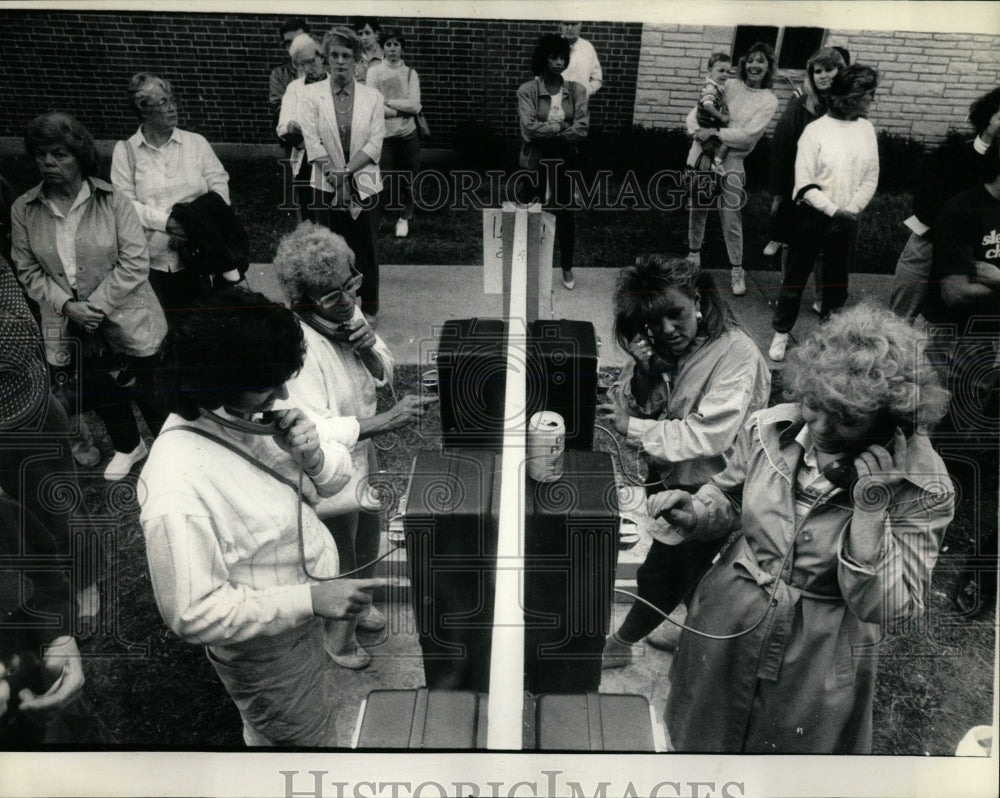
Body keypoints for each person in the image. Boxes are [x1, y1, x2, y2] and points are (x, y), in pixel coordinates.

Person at [657, 302, 955, 753]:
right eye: (815, 404)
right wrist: (698, 512)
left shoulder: (924, 486)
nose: (822, 426)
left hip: (819, 656)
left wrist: (870, 514)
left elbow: (893, 607)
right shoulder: (769, 428)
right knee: (702, 742)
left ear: (891, 420)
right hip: (727, 619)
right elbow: (733, 495)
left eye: (848, 418)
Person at [140, 287, 385, 747]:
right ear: (212, 382)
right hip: (266, 652)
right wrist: (309, 601)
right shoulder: (177, 486)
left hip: (300, 625)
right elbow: (192, 613)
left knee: (293, 724)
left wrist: (311, 454)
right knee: (303, 742)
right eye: (266, 385)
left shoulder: (250, 408)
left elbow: (334, 483)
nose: (284, 394)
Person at [596, 256, 771, 667]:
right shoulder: (671, 346)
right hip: (670, 474)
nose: (666, 331)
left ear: (695, 298)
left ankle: (620, 645)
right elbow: (639, 402)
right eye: (653, 324)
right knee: (691, 571)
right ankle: (699, 632)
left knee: (661, 572)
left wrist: (634, 428)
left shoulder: (736, 353)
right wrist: (644, 370)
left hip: (711, 486)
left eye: (674, 315)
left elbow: (709, 434)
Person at [273, 222, 433, 668]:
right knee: (339, 554)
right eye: (333, 295)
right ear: (302, 299)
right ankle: (337, 639)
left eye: (352, 284)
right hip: (324, 470)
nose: (349, 301)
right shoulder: (297, 345)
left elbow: (384, 369)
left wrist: (367, 350)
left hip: (363, 456)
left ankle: (359, 606)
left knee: (368, 536)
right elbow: (310, 428)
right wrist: (385, 421)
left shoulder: (345, 312)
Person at [11, 112, 168, 482]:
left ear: (79, 155)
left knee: (149, 388)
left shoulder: (114, 201)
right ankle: (130, 447)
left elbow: (134, 263)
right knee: (99, 387)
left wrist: (93, 308)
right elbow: (27, 269)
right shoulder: (24, 209)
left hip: (128, 315)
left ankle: (168, 449)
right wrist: (68, 307)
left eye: (58, 153)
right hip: (68, 321)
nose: (47, 162)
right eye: (40, 154)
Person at [923, 141, 1000, 618]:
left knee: (975, 440)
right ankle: (923, 520)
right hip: (962, 341)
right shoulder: (965, 210)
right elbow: (953, 292)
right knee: (939, 436)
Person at [769, 65, 880, 363]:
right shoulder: (815, 131)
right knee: (794, 279)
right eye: (868, 94)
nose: (872, 100)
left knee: (836, 285)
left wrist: (851, 209)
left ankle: (827, 341)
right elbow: (804, 182)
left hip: (848, 219)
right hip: (810, 217)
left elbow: (871, 176)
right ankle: (781, 332)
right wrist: (834, 210)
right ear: (849, 97)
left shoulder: (866, 129)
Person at [111, 72, 232, 317]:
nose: (173, 108)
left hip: (201, 253)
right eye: (164, 102)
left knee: (206, 321)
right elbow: (124, 204)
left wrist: (192, 225)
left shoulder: (196, 143)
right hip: (151, 261)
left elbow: (219, 188)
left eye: (172, 100)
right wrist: (169, 223)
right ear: (142, 109)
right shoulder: (125, 151)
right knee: (161, 325)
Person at [889, 86, 1000, 320]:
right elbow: (924, 203)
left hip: (981, 245)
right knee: (901, 314)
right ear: (985, 118)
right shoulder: (952, 155)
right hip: (933, 237)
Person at [300, 27, 385, 327]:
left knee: (367, 246)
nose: (339, 61)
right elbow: (312, 141)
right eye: (333, 55)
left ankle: (370, 306)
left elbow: (375, 143)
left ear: (357, 60)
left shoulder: (373, 97)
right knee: (329, 247)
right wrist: (336, 178)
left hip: (366, 181)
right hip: (324, 182)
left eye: (346, 55)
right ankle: (335, 305)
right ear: (325, 59)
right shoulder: (310, 95)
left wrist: (346, 175)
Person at [686, 41, 778, 297]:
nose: (754, 65)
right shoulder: (727, 84)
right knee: (698, 206)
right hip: (703, 154)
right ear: (743, 64)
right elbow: (695, 112)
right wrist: (697, 132)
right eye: (750, 60)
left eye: (761, 61)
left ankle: (736, 268)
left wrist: (714, 132)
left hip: (733, 161)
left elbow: (747, 136)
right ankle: (693, 256)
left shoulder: (768, 100)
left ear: (769, 66)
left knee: (731, 216)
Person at [765, 46, 848, 272]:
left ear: (841, 71)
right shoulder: (800, 105)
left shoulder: (850, 106)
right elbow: (782, 149)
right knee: (795, 243)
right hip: (802, 187)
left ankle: (823, 299)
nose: (822, 76)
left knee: (829, 245)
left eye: (829, 70)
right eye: (817, 71)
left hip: (836, 187)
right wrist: (779, 194)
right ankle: (786, 295)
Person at [518, 34, 590, 291]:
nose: (559, 62)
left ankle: (567, 267)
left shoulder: (577, 90)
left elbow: (582, 128)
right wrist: (562, 126)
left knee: (565, 215)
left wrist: (549, 129)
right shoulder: (527, 91)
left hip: (565, 160)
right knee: (532, 214)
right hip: (535, 161)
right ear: (543, 59)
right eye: (553, 57)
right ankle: (530, 270)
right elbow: (528, 129)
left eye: (563, 57)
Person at [367, 28, 422, 239]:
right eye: (388, 44)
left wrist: (389, 103)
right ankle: (376, 218)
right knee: (383, 179)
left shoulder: (410, 73)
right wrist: (401, 109)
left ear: (402, 48)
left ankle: (404, 217)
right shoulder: (374, 72)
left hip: (408, 134)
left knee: (408, 178)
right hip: (384, 136)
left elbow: (415, 106)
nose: (392, 49)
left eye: (396, 45)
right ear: (383, 47)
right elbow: (373, 104)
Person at [277, 32, 328, 224]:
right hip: (306, 156)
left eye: (310, 61)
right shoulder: (294, 89)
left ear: (321, 56)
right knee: (309, 209)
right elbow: (282, 127)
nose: (307, 68)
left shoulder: (334, 85)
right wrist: (291, 126)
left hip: (334, 155)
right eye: (301, 64)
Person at [693, 52, 732, 173]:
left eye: (728, 72)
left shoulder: (719, 86)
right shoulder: (710, 87)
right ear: (710, 70)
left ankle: (715, 163)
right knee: (714, 146)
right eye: (721, 71)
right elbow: (708, 105)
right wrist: (721, 117)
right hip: (707, 124)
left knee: (724, 143)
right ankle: (714, 165)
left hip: (712, 123)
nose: (725, 75)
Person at [269, 18, 311, 127]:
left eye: (299, 41)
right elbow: (278, 108)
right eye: (289, 43)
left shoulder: (325, 70)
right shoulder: (279, 74)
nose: (294, 47)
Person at [559, 21, 603, 97]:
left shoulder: (587, 48)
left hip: (580, 105)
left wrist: (587, 91)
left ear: (580, 25)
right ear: (561, 25)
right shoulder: (550, 45)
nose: (569, 28)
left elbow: (597, 78)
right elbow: (539, 78)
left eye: (574, 24)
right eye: (566, 24)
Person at [354, 18, 383, 84]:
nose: (364, 37)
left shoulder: (385, 56)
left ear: (376, 34)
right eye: (360, 34)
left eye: (367, 33)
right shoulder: (355, 57)